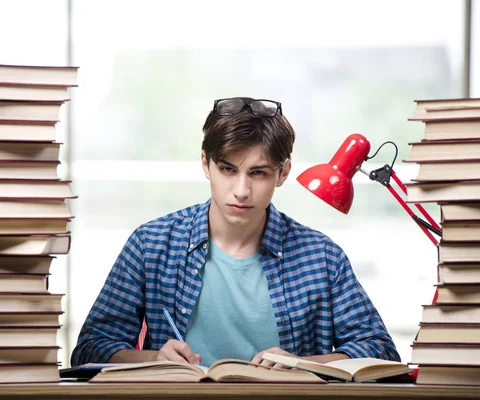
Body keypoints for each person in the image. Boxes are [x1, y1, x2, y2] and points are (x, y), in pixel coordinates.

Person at [71, 97, 400, 367]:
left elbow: (380, 350)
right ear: (205, 164)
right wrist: (155, 358)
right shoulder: (151, 244)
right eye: (228, 169)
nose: (241, 190)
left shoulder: (322, 257)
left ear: (282, 173)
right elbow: (91, 347)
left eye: (258, 173)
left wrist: (304, 364)